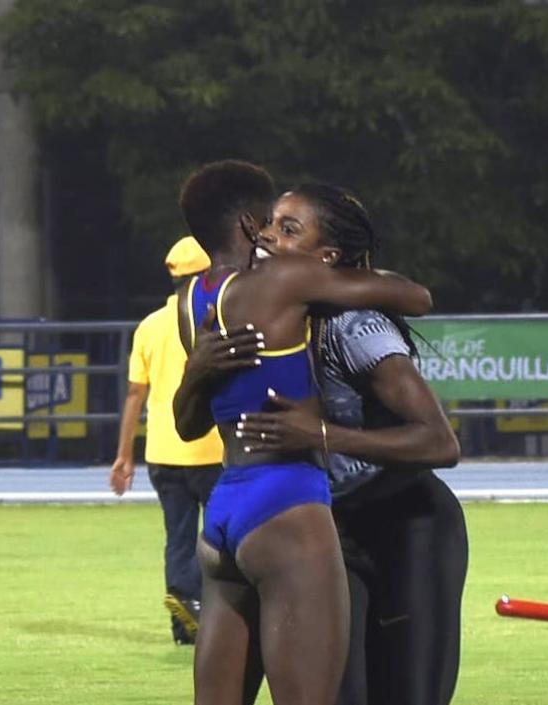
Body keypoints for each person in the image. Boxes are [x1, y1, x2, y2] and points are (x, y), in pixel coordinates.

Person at [170, 160, 433, 705]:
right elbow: (416, 298)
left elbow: (187, 423)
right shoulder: (285, 280)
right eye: (268, 222)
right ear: (247, 224)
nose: (271, 234)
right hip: (287, 506)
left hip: (222, 516)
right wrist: (345, 276)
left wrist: (197, 371)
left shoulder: (188, 302)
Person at [230, 184, 466, 705]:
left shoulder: (351, 322)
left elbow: (439, 441)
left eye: (289, 229)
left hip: (407, 526)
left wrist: (319, 436)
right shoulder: (262, 315)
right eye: (269, 223)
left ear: (327, 259)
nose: (269, 236)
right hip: (326, 530)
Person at [110, 235, 231, 646]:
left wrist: (124, 456)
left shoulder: (149, 327)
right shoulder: (214, 322)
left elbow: (134, 395)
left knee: (177, 535)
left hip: (162, 451)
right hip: (211, 446)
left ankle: (184, 618)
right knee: (221, 535)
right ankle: (216, 613)